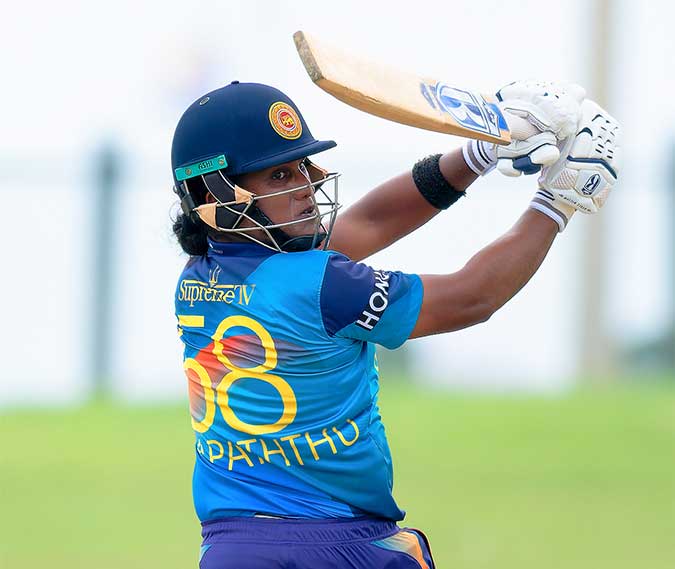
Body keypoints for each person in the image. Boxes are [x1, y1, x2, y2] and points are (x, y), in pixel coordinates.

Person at [171, 80, 620, 568]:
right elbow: (472, 297)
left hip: (233, 550)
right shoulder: (324, 285)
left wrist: (482, 152)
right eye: (279, 175)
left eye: (302, 167)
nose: (306, 187)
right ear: (216, 192)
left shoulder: (195, 279)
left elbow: (370, 223)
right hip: (343, 545)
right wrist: (558, 200)